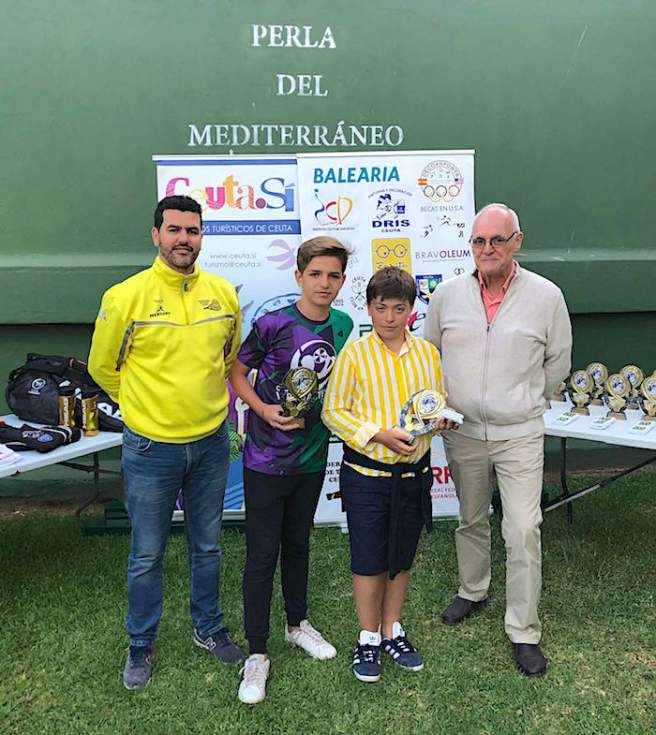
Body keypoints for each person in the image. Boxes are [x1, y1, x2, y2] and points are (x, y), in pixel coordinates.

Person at [88, 195, 244, 689]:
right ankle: (140, 642)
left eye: (192, 231)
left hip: (211, 444)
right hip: (151, 449)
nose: (184, 239)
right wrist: (144, 407)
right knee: (146, 553)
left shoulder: (223, 293)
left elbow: (226, 358)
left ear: (201, 237)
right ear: (156, 235)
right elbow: (102, 368)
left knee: (208, 546)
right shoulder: (125, 297)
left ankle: (209, 626)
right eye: (174, 229)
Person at [424, 202, 572, 677]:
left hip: (520, 433)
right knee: (471, 518)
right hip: (463, 432)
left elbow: (558, 363)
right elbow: (430, 354)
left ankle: (523, 630)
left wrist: (524, 400)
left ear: (517, 242)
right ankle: (473, 590)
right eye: (478, 241)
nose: (487, 249)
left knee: (523, 528)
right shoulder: (447, 295)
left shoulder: (546, 296)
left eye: (497, 240)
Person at [229, 236, 353, 704]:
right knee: (263, 554)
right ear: (299, 276)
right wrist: (262, 409)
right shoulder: (272, 323)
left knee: (299, 543)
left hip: (312, 456)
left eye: (333, 275)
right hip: (266, 460)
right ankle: (257, 652)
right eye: (315, 274)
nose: (324, 283)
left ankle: (297, 624)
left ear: (342, 281)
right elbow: (237, 372)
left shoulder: (344, 325)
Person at [322, 266, 456, 683]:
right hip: (367, 475)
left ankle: (391, 628)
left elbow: (433, 404)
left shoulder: (427, 354)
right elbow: (333, 411)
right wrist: (377, 433)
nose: (390, 318)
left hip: (413, 475)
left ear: (411, 309)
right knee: (368, 557)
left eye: (399, 309)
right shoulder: (354, 355)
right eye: (381, 308)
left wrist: (440, 421)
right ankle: (367, 636)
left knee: (401, 554)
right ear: (368, 308)